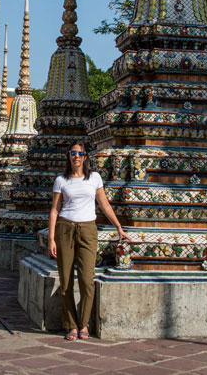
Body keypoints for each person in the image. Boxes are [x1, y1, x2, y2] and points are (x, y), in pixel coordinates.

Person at [48, 142, 128, 341]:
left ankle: (83, 322)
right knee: (66, 280)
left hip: (88, 229)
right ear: (69, 156)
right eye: (73, 153)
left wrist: (118, 226)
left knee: (86, 280)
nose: (76, 156)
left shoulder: (94, 178)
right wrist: (51, 238)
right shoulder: (61, 180)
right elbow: (55, 210)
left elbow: (104, 205)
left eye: (80, 153)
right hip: (65, 228)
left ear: (85, 157)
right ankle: (71, 325)